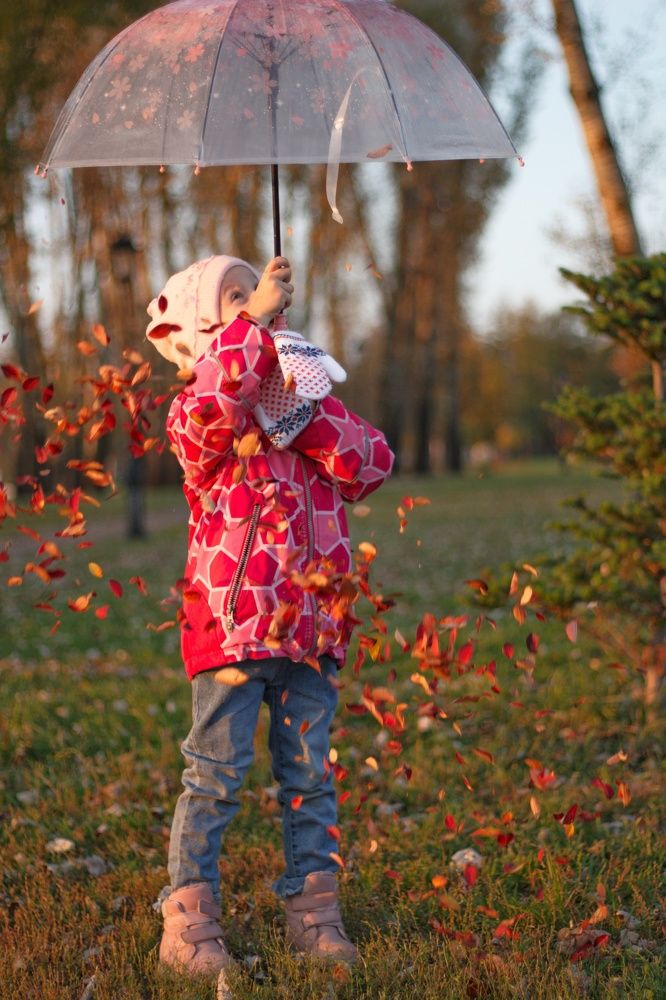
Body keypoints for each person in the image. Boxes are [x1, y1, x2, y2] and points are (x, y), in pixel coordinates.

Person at [145, 254, 394, 981]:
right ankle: (188, 922)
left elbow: (372, 463)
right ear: (205, 326)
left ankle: (315, 914)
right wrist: (251, 328)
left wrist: (307, 419)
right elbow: (213, 409)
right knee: (216, 773)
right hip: (232, 625)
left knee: (309, 775)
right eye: (237, 294)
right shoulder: (197, 409)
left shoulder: (300, 397)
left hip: (311, 626)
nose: (261, 296)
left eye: (261, 289)